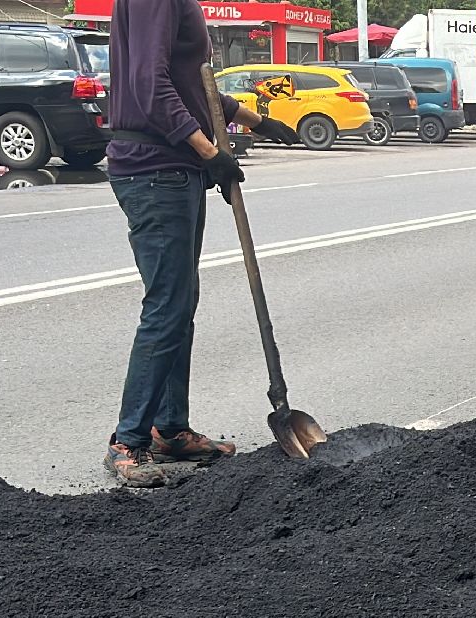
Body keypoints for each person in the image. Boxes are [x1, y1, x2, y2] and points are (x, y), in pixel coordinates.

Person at [102, 0, 298, 487]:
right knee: (168, 305)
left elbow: (193, 86)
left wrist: (254, 121)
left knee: (180, 303)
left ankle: (170, 428)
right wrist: (211, 152)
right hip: (155, 169)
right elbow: (152, 87)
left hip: (172, 169)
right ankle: (128, 441)